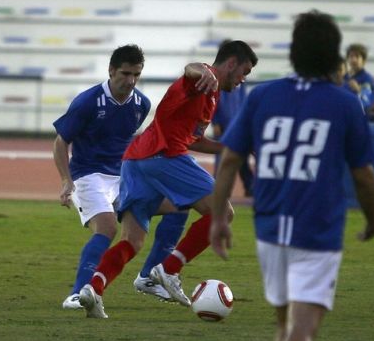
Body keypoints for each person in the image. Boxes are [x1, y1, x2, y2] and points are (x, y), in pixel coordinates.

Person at [210, 10, 374, 341]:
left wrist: (216, 219)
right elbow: (363, 175)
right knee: (304, 329)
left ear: (293, 51)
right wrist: (373, 219)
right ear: (334, 55)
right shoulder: (345, 102)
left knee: (285, 327)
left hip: (270, 228)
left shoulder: (263, 96)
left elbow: (229, 158)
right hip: (316, 231)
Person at [77, 40, 258, 318]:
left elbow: (194, 138)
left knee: (132, 241)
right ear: (231, 63)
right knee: (223, 211)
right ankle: (169, 269)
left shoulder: (212, 95)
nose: (244, 79)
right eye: (244, 71)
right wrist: (202, 71)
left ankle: (94, 288)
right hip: (164, 156)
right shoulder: (203, 80)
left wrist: (231, 148)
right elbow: (190, 71)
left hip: (136, 162)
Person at [53, 44, 189, 309]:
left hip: (123, 178)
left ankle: (149, 277)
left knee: (179, 205)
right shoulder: (87, 102)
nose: (131, 81)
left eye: (136, 74)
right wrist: (66, 181)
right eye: (125, 74)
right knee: (108, 228)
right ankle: (77, 294)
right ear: (111, 70)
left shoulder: (141, 104)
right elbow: (60, 143)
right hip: (88, 176)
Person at [212, 82, 254, 197]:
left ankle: (249, 185)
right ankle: (217, 187)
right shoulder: (224, 80)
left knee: (242, 157)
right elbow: (214, 101)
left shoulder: (242, 82)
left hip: (237, 124)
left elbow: (244, 103)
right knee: (221, 156)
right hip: (223, 125)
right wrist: (215, 122)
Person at [343, 43, 374, 112]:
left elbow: (369, 104)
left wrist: (359, 91)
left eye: (357, 56)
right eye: (351, 56)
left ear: (364, 60)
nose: (354, 60)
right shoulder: (343, 77)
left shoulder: (367, 79)